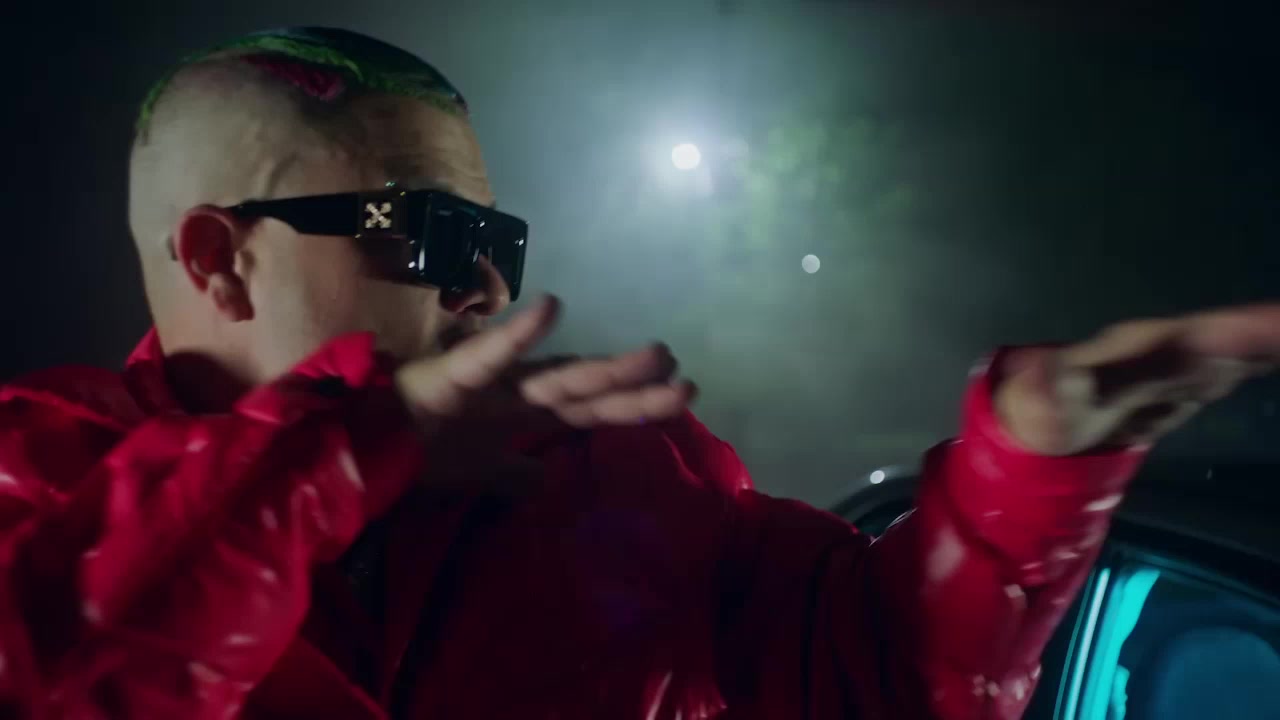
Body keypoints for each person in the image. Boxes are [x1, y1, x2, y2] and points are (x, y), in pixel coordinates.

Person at [0, 26, 1275, 720]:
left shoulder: (619, 480)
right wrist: (322, 462)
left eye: (496, 239)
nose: (483, 284)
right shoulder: (32, 482)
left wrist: (1029, 472)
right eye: (425, 230)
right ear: (217, 259)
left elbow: (878, 674)